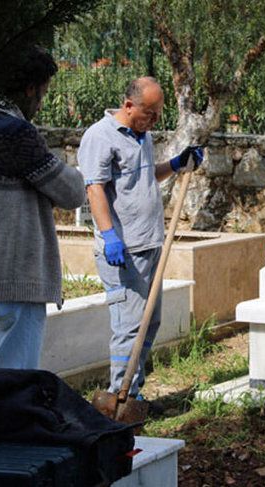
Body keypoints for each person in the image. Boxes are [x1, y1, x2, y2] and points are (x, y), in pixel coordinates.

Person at [78, 77, 203, 401]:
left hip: (149, 246)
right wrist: (109, 235)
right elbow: (94, 189)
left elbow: (146, 177)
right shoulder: (100, 136)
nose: (155, 121)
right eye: (150, 113)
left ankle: (132, 392)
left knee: (150, 322)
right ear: (129, 105)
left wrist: (175, 165)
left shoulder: (141, 136)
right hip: (123, 250)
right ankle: (119, 398)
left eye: (159, 113)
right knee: (129, 325)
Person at [0, 46, 86, 373]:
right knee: (15, 388)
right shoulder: (15, 131)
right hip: (12, 280)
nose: (41, 102)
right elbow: (71, 192)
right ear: (29, 88)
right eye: (43, 92)